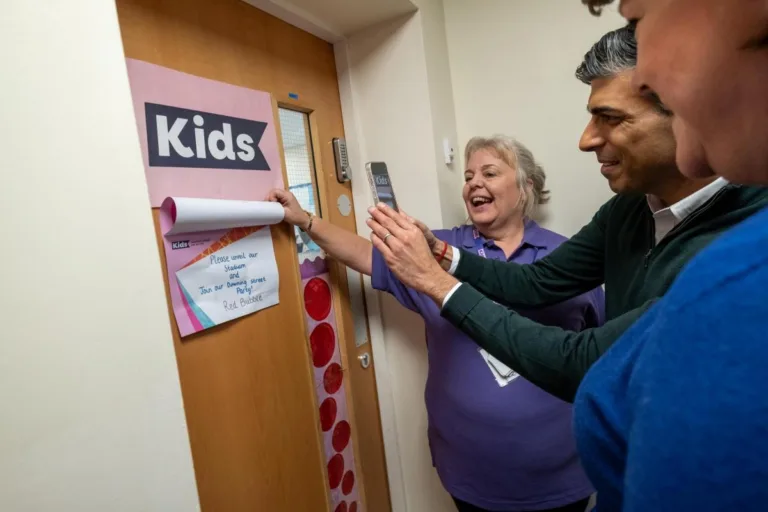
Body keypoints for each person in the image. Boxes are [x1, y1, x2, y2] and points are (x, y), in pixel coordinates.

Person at [365, 25, 768, 402]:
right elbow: (538, 282)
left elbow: (584, 363)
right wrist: (442, 254)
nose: (586, 139)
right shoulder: (629, 208)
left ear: (694, 115)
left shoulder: (747, 245)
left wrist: (436, 284)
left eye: (609, 117)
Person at [269, 136, 601, 512]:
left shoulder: (568, 258)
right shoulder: (437, 251)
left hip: (561, 470)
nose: (474, 183)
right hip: (470, 470)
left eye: (489, 172)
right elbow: (365, 254)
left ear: (526, 187)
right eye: (468, 175)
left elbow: (602, 354)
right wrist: (306, 220)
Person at [565, 0, 768, 510]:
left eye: (639, 20)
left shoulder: (731, 281)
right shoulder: (634, 216)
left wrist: (438, 285)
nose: (646, 69)